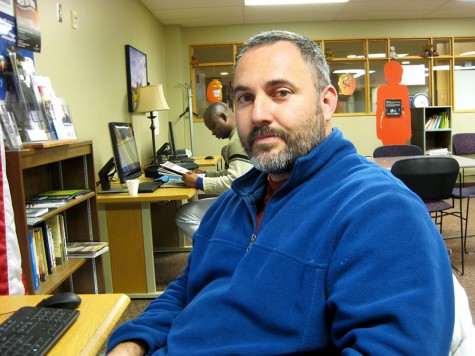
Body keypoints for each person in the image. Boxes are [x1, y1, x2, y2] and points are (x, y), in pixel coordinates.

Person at [107, 30, 455, 355]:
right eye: (245, 98)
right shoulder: (233, 201)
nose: (258, 113)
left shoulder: (380, 210)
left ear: (327, 102)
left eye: (281, 93)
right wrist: (133, 342)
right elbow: (187, 288)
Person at [176, 102, 253, 238]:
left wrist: (199, 182)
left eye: (213, 127)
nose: (212, 133)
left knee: (184, 214)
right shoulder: (242, 133)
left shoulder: (237, 142)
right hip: (248, 198)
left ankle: (210, 249)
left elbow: (234, 183)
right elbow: (237, 173)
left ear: (223, 117)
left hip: (244, 204)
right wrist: (206, 175)